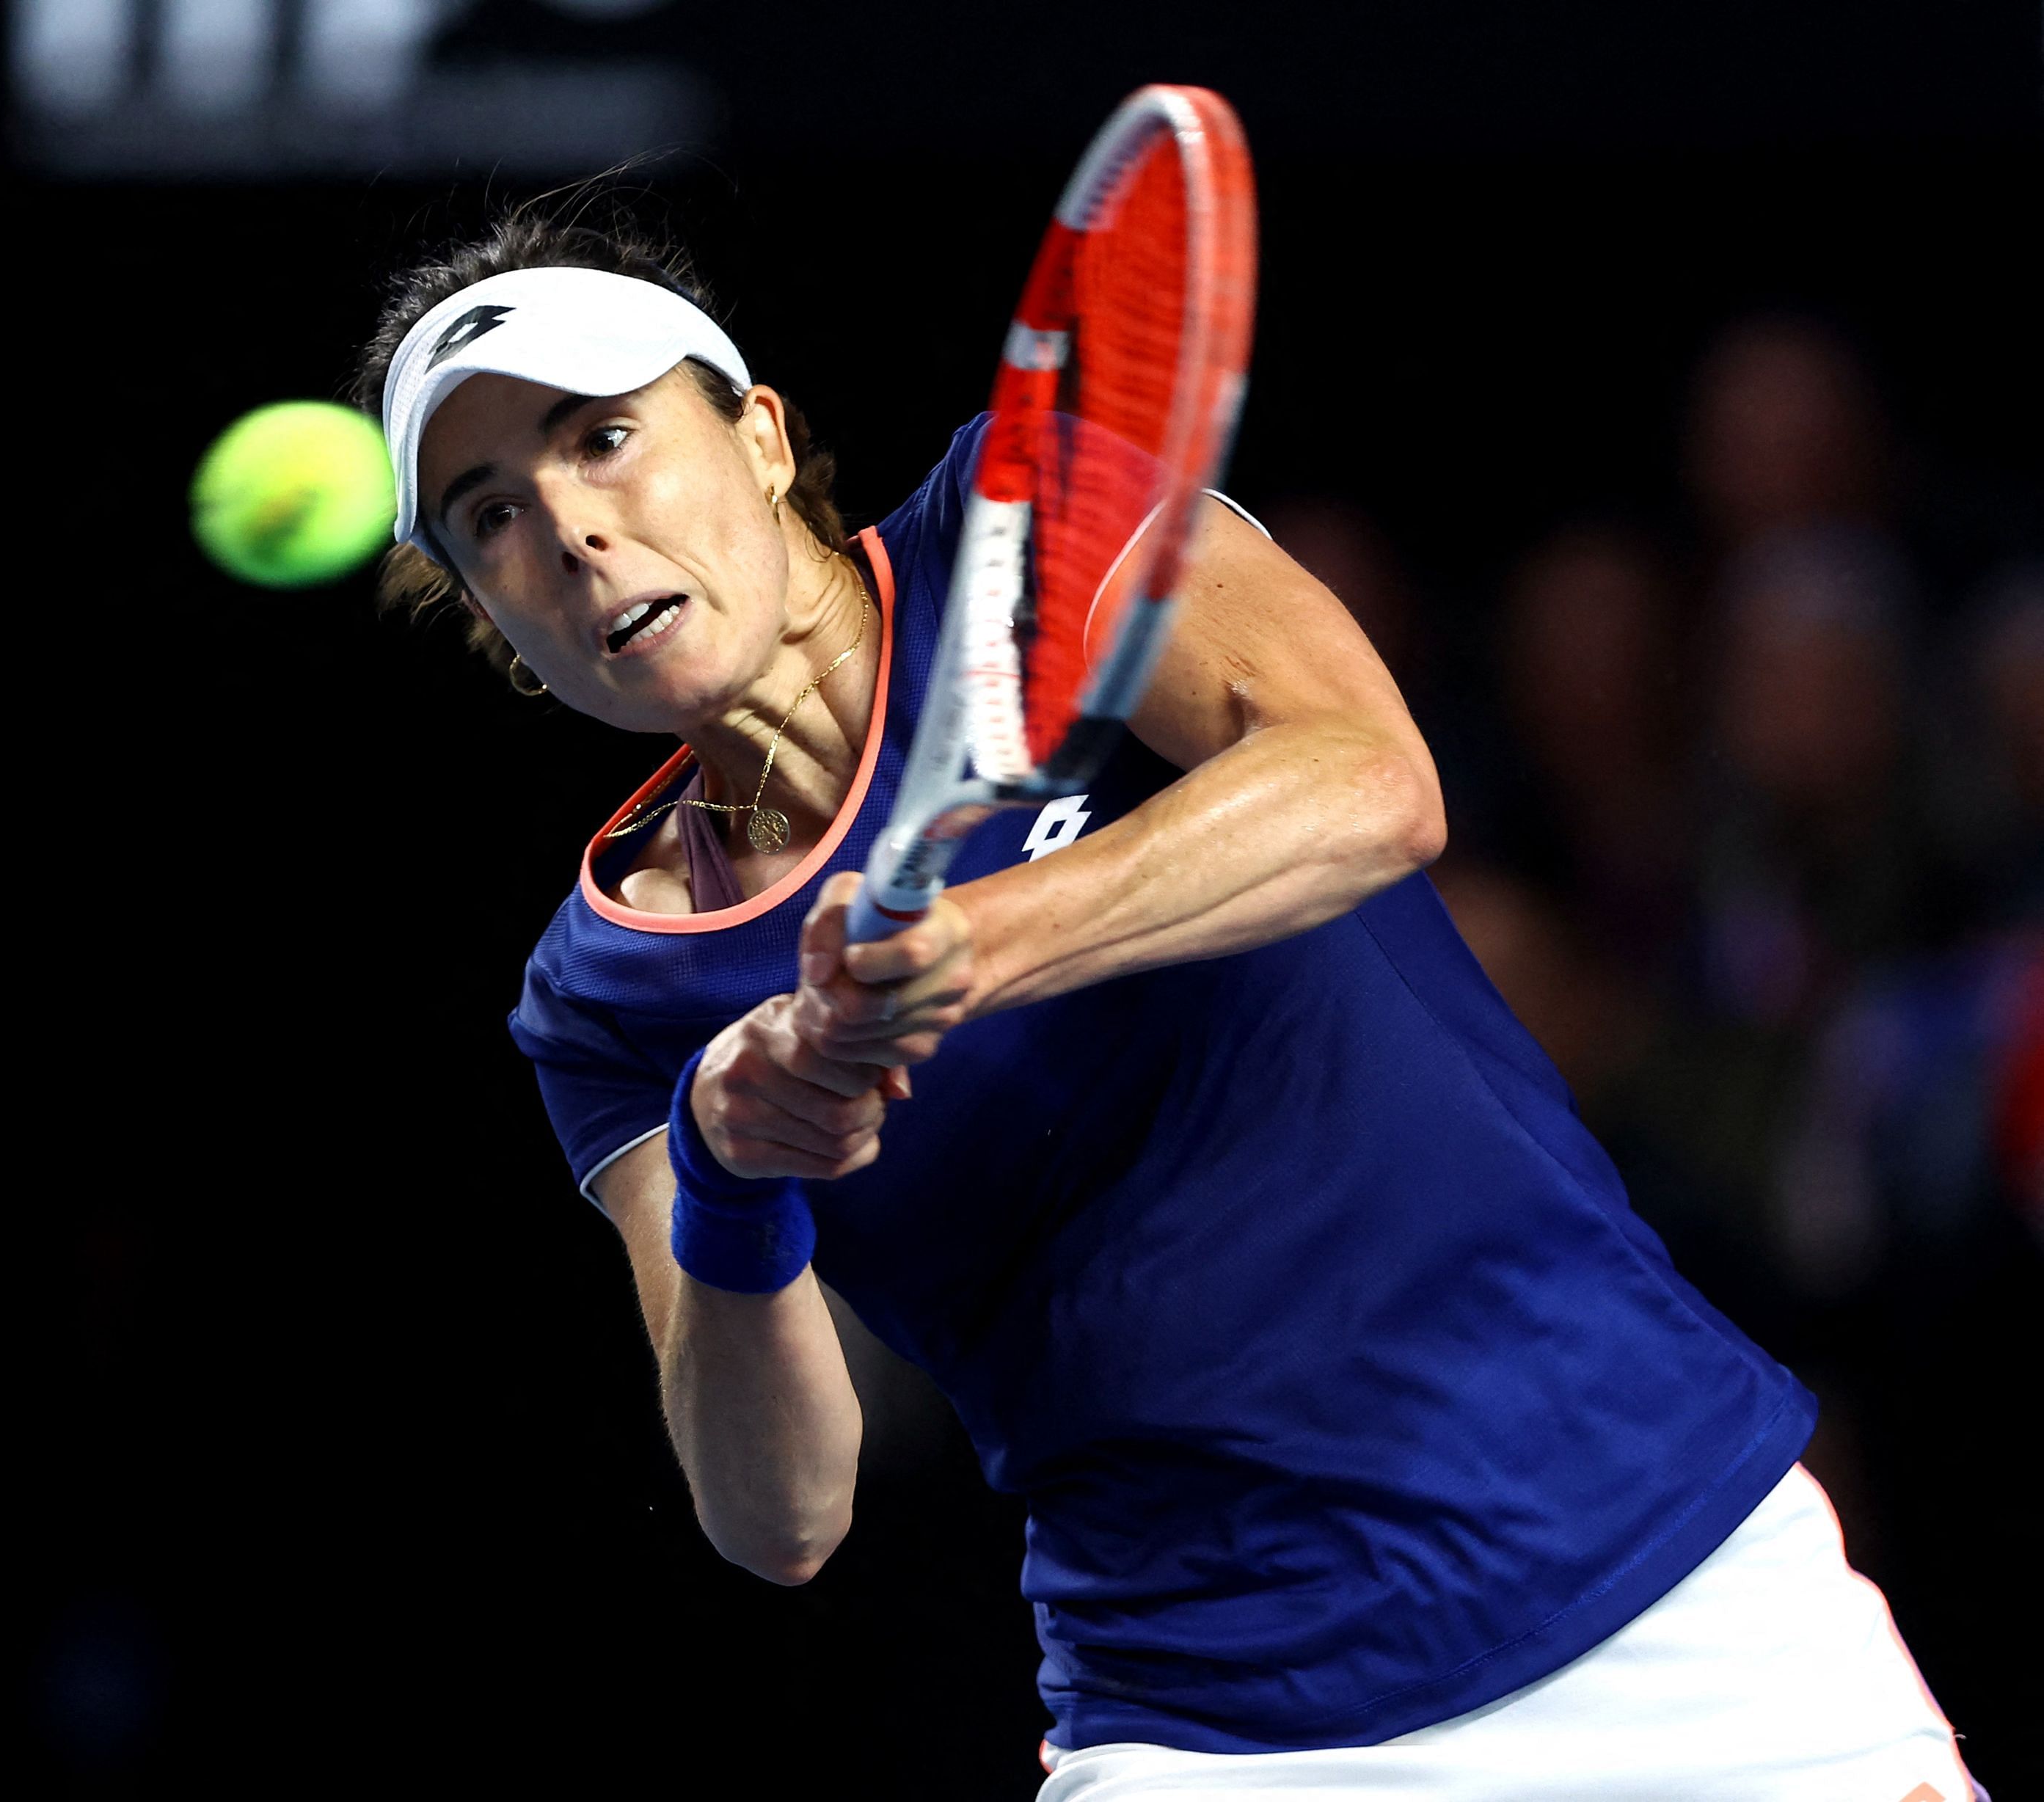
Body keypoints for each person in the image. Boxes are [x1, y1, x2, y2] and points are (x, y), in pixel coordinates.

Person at [354, 208, 1985, 1798]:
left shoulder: (1028, 515)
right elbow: (778, 1512)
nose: (568, 527)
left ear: (761, 438)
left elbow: (1366, 785)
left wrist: (978, 943)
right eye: (488, 512)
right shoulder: (609, 991)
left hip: (1660, 1576)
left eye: (605, 437)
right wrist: (729, 1177)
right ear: (494, 627)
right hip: (1213, 1722)